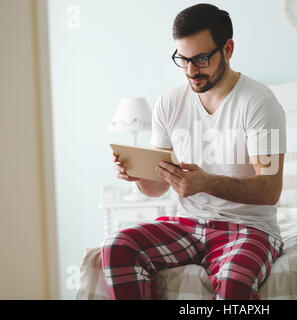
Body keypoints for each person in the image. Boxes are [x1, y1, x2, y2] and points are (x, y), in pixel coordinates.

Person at [101, 3, 287, 300]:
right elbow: (157, 188)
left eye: (201, 59)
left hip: (249, 228)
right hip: (189, 225)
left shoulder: (258, 102)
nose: (190, 71)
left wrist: (207, 182)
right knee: (117, 247)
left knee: (233, 282)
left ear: (228, 49)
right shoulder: (169, 102)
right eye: (182, 59)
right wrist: (135, 174)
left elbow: (270, 189)